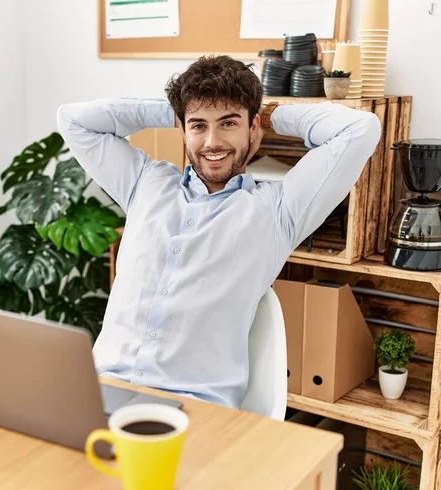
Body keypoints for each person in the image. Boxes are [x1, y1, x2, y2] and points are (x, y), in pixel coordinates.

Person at [57, 55, 381, 409]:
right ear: (182, 129)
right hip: (101, 390)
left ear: (252, 127)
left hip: (195, 409)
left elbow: (361, 129)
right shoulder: (145, 182)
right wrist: (179, 110)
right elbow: (73, 120)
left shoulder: (279, 210)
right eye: (198, 126)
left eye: (228, 123)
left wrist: (269, 113)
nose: (212, 141)